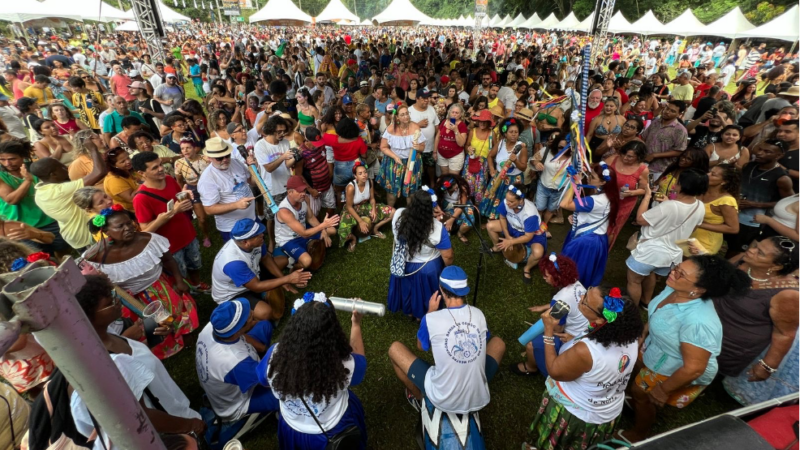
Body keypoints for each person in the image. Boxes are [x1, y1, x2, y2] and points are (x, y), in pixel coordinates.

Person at [622, 255, 751, 443]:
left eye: (680, 273)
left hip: (674, 368)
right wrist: (644, 332)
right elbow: (659, 311)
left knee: (643, 394)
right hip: (657, 350)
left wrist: (663, 390)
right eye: (676, 267)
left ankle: (639, 433)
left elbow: (694, 368)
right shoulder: (674, 288)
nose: (672, 272)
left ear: (698, 289)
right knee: (639, 383)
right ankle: (638, 403)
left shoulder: (698, 322)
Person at [72, 275, 205, 450]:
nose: (117, 301)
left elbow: (136, 359)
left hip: (171, 405)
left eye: (113, 296)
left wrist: (155, 336)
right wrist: (189, 426)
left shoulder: (107, 335)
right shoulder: (110, 363)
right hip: (170, 429)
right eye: (108, 303)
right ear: (87, 317)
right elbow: (144, 416)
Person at [523, 287, 643, 450]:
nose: (580, 297)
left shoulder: (585, 351)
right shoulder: (628, 337)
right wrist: (575, 339)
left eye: (585, 301)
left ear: (602, 320)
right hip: (606, 409)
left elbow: (554, 370)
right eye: (586, 292)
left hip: (576, 413)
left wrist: (549, 331)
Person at [388, 266, 506, 425]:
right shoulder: (479, 314)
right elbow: (483, 340)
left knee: (394, 349)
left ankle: (420, 399)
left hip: (442, 398)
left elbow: (420, 346)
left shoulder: (431, 319)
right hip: (478, 397)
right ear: (465, 291)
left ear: (442, 291)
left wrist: (430, 312)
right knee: (498, 343)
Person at [83, 208, 199, 360]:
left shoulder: (149, 240)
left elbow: (169, 260)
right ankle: (165, 348)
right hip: (131, 300)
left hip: (161, 288)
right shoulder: (95, 256)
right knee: (152, 328)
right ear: (106, 230)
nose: (128, 228)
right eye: (120, 226)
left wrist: (178, 280)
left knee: (175, 316)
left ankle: (186, 338)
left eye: (129, 223)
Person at [257, 293, 368, 450]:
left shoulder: (274, 356)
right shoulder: (343, 364)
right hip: (334, 427)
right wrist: (356, 324)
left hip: (293, 428)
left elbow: (263, 380)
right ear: (332, 332)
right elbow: (360, 367)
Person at [717, 237, 800, 405]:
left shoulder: (788, 294)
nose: (751, 250)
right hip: (704, 326)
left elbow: (784, 333)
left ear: (776, 266)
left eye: (760, 252)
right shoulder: (743, 260)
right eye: (756, 246)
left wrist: (767, 366)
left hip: (729, 344)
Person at [627, 168, 707, 306]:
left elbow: (640, 219)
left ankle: (630, 310)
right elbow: (692, 228)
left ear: (682, 186)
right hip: (672, 255)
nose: (675, 182)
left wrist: (647, 196)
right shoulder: (699, 206)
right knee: (650, 274)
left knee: (634, 280)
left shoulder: (670, 206)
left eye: (678, 181)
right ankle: (646, 302)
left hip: (649, 252)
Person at [131, 151, 208, 291]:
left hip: (188, 235)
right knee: (180, 273)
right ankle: (187, 296)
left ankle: (197, 285)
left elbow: (180, 200)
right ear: (141, 173)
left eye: (160, 164)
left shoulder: (169, 179)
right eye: (154, 168)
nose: (161, 169)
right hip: (170, 247)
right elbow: (145, 231)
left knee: (195, 264)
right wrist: (171, 213)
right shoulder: (140, 198)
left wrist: (187, 200)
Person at [196, 299, 279, 423]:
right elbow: (268, 379)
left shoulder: (213, 327)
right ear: (238, 331)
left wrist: (261, 348)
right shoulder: (233, 362)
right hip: (239, 401)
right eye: (248, 317)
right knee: (289, 393)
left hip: (242, 364)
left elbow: (239, 336)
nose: (252, 312)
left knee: (264, 326)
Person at [211, 218, 312, 320]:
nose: (262, 235)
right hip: (235, 294)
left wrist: (283, 280)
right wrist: (288, 279)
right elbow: (256, 286)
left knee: (283, 261)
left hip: (252, 271)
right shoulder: (233, 263)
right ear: (246, 242)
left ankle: (265, 293)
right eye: (257, 235)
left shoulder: (257, 241)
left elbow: (265, 258)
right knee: (265, 312)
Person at [512, 253, 588, 377]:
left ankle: (532, 368)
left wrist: (546, 328)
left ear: (557, 277)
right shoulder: (576, 284)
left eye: (546, 276)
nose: (544, 278)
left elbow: (558, 328)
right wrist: (546, 306)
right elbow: (569, 303)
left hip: (573, 337)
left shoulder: (560, 299)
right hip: (586, 330)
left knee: (531, 345)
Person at [388, 189, 454, 320]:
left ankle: (409, 311)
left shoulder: (398, 214)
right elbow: (448, 256)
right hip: (426, 268)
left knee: (407, 289)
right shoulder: (437, 228)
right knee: (424, 292)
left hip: (403, 263)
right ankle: (422, 314)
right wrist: (448, 268)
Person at [31, 136, 107, 251]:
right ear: (53, 175)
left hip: (73, 236)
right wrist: (92, 149)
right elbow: (99, 172)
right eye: (61, 167)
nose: (66, 167)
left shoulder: (40, 192)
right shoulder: (59, 191)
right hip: (86, 237)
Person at [0, 140, 68, 255]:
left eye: (12, 159)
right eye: (2, 159)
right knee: (39, 259)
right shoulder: (1, 176)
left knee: (64, 252)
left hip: (50, 220)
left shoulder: (37, 168)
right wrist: (28, 181)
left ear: (23, 157)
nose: (7, 163)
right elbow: (11, 200)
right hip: (21, 226)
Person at [728, 140, 794, 257]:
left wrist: (756, 204)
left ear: (778, 155)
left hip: (752, 222)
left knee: (736, 252)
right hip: (733, 214)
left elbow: (787, 204)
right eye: (760, 149)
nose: (760, 153)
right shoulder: (748, 166)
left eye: (767, 151)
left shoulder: (782, 178)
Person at [560, 163, 620, 287]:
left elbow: (565, 204)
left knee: (576, 268)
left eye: (592, 177)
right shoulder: (610, 195)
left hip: (586, 242)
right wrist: (579, 217)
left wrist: (574, 183)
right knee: (585, 269)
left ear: (603, 182)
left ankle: (570, 294)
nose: (588, 178)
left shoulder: (595, 200)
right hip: (596, 239)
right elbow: (596, 214)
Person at [198, 137, 256, 242]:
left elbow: (252, 182)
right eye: (219, 158)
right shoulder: (207, 179)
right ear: (210, 158)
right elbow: (209, 209)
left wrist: (255, 168)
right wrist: (236, 205)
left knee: (258, 249)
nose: (225, 159)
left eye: (227, 155)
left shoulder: (235, 162)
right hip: (232, 226)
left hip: (251, 217)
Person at [488, 183, 547, 283]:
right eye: (506, 200)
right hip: (512, 226)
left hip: (531, 233)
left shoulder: (530, 214)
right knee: (490, 226)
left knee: (538, 253)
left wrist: (511, 242)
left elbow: (528, 236)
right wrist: (507, 236)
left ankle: (527, 268)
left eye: (511, 201)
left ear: (521, 200)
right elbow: (502, 218)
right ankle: (497, 247)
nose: (507, 203)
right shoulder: (506, 202)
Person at [339, 161, 395, 252]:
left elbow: (372, 199)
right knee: (342, 232)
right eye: (360, 173)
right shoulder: (351, 187)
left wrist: (373, 209)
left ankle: (375, 229)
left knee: (393, 212)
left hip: (365, 206)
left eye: (365, 172)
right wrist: (360, 221)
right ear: (355, 176)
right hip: (352, 209)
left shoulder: (370, 181)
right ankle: (353, 239)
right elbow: (349, 207)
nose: (364, 175)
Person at [377, 103, 426, 207]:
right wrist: (395, 157)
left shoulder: (415, 127)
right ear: (397, 117)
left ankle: (410, 213)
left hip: (412, 161)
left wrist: (418, 148)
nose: (406, 116)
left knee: (411, 190)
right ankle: (390, 212)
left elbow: (422, 147)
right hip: (394, 161)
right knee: (392, 189)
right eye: (402, 114)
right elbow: (383, 147)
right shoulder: (391, 129)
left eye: (407, 113)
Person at [479, 118, 528, 219]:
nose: (514, 134)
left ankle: (504, 221)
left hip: (513, 180)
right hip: (499, 177)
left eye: (516, 132)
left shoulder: (521, 148)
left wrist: (516, 161)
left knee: (509, 201)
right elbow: (490, 156)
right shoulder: (501, 143)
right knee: (493, 197)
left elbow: (523, 167)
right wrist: (492, 169)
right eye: (511, 132)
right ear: (505, 133)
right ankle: (491, 217)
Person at [605, 141, 649, 249]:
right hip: (605, 198)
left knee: (612, 228)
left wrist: (632, 193)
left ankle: (604, 251)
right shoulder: (613, 159)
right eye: (623, 154)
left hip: (624, 203)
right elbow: (598, 174)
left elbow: (645, 189)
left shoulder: (643, 170)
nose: (624, 158)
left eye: (630, 157)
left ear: (639, 157)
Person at [689, 164, 740, 256]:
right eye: (709, 172)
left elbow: (733, 228)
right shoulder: (701, 190)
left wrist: (699, 223)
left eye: (713, 174)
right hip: (689, 236)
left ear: (724, 181)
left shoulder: (726, 201)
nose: (707, 175)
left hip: (706, 243)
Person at [641, 100, 689, 180]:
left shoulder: (680, 130)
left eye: (672, 111)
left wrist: (654, 155)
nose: (667, 112)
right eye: (667, 108)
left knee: (651, 190)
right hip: (643, 164)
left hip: (660, 170)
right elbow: (644, 137)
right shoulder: (656, 122)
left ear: (679, 114)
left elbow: (680, 151)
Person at [409, 90, 440, 186]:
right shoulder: (410, 111)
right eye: (423, 98)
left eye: (427, 98)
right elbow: (405, 129)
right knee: (417, 167)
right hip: (416, 147)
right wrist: (418, 125)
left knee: (431, 166)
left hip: (430, 146)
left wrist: (436, 138)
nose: (426, 101)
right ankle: (417, 184)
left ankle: (432, 183)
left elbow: (436, 125)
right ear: (417, 99)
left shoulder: (431, 109)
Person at [463, 109, 494, 205]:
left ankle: (477, 209)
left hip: (483, 165)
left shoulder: (492, 134)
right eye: (481, 121)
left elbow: (494, 151)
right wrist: (469, 148)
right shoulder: (473, 131)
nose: (482, 123)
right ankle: (467, 206)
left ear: (489, 123)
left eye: (485, 122)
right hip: (471, 162)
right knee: (467, 185)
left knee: (479, 188)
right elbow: (466, 145)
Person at [436, 174, 476, 244]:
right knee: (440, 221)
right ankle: (451, 228)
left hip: (462, 204)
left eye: (456, 186)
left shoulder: (462, 187)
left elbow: (462, 205)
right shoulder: (440, 184)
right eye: (453, 189)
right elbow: (436, 198)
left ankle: (460, 233)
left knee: (470, 221)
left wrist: (452, 219)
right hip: (447, 205)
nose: (455, 188)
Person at [434, 102, 468, 176]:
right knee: (444, 176)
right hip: (442, 154)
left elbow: (461, 143)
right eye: (453, 112)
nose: (454, 114)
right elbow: (437, 137)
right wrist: (434, 152)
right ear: (449, 112)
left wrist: (456, 130)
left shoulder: (462, 126)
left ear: (460, 114)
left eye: (457, 113)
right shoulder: (443, 122)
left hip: (455, 156)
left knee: (453, 178)